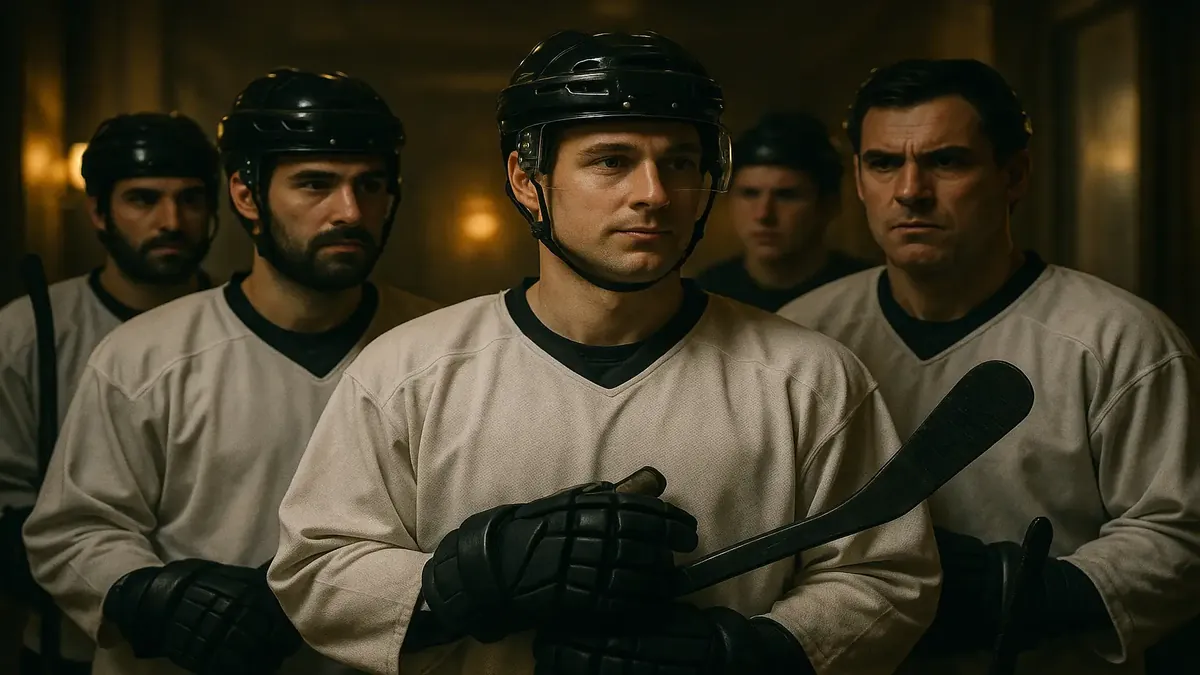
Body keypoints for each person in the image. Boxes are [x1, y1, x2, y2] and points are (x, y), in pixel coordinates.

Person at [267, 30, 940, 675]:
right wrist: (475, 574)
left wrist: (751, 654)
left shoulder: (811, 378)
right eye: (611, 161)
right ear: (526, 179)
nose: (654, 193)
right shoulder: (405, 373)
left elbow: (886, 574)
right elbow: (315, 570)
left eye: (679, 162)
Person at [778, 58, 1200, 675]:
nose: (910, 190)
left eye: (947, 161)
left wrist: (1020, 593)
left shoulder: (1119, 340)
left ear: (1014, 174)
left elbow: (1181, 535)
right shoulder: (801, 337)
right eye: (884, 163)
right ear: (860, 181)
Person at [22, 68, 440, 675]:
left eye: (370, 184)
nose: (350, 211)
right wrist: (156, 598)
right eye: (315, 184)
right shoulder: (143, 356)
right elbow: (73, 529)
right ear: (246, 195)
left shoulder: (437, 350)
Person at [1, 111, 220, 675]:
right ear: (99, 211)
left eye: (190, 199)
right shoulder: (31, 330)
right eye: (143, 199)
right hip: (69, 645)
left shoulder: (240, 330)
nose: (171, 221)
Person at [693, 111, 871, 311]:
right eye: (749, 193)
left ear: (829, 205)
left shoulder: (865, 296)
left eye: (786, 196)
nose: (763, 214)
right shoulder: (705, 295)